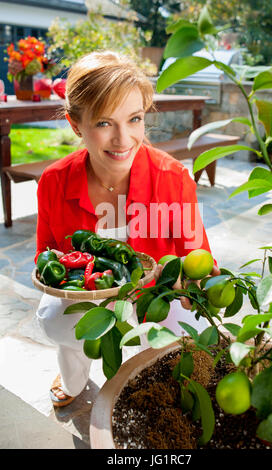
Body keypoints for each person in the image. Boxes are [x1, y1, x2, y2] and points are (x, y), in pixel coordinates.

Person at [35, 51, 220, 407]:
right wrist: (62, 272)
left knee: (180, 336)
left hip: (154, 296)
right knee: (56, 321)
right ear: (76, 124)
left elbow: (197, 252)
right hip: (90, 297)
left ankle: (152, 374)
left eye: (134, 119)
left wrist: (193, 276)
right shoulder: (54, 182)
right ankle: (73, 375)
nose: (124, 139)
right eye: (104, 123)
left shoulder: (172, 177)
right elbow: (46, 253)